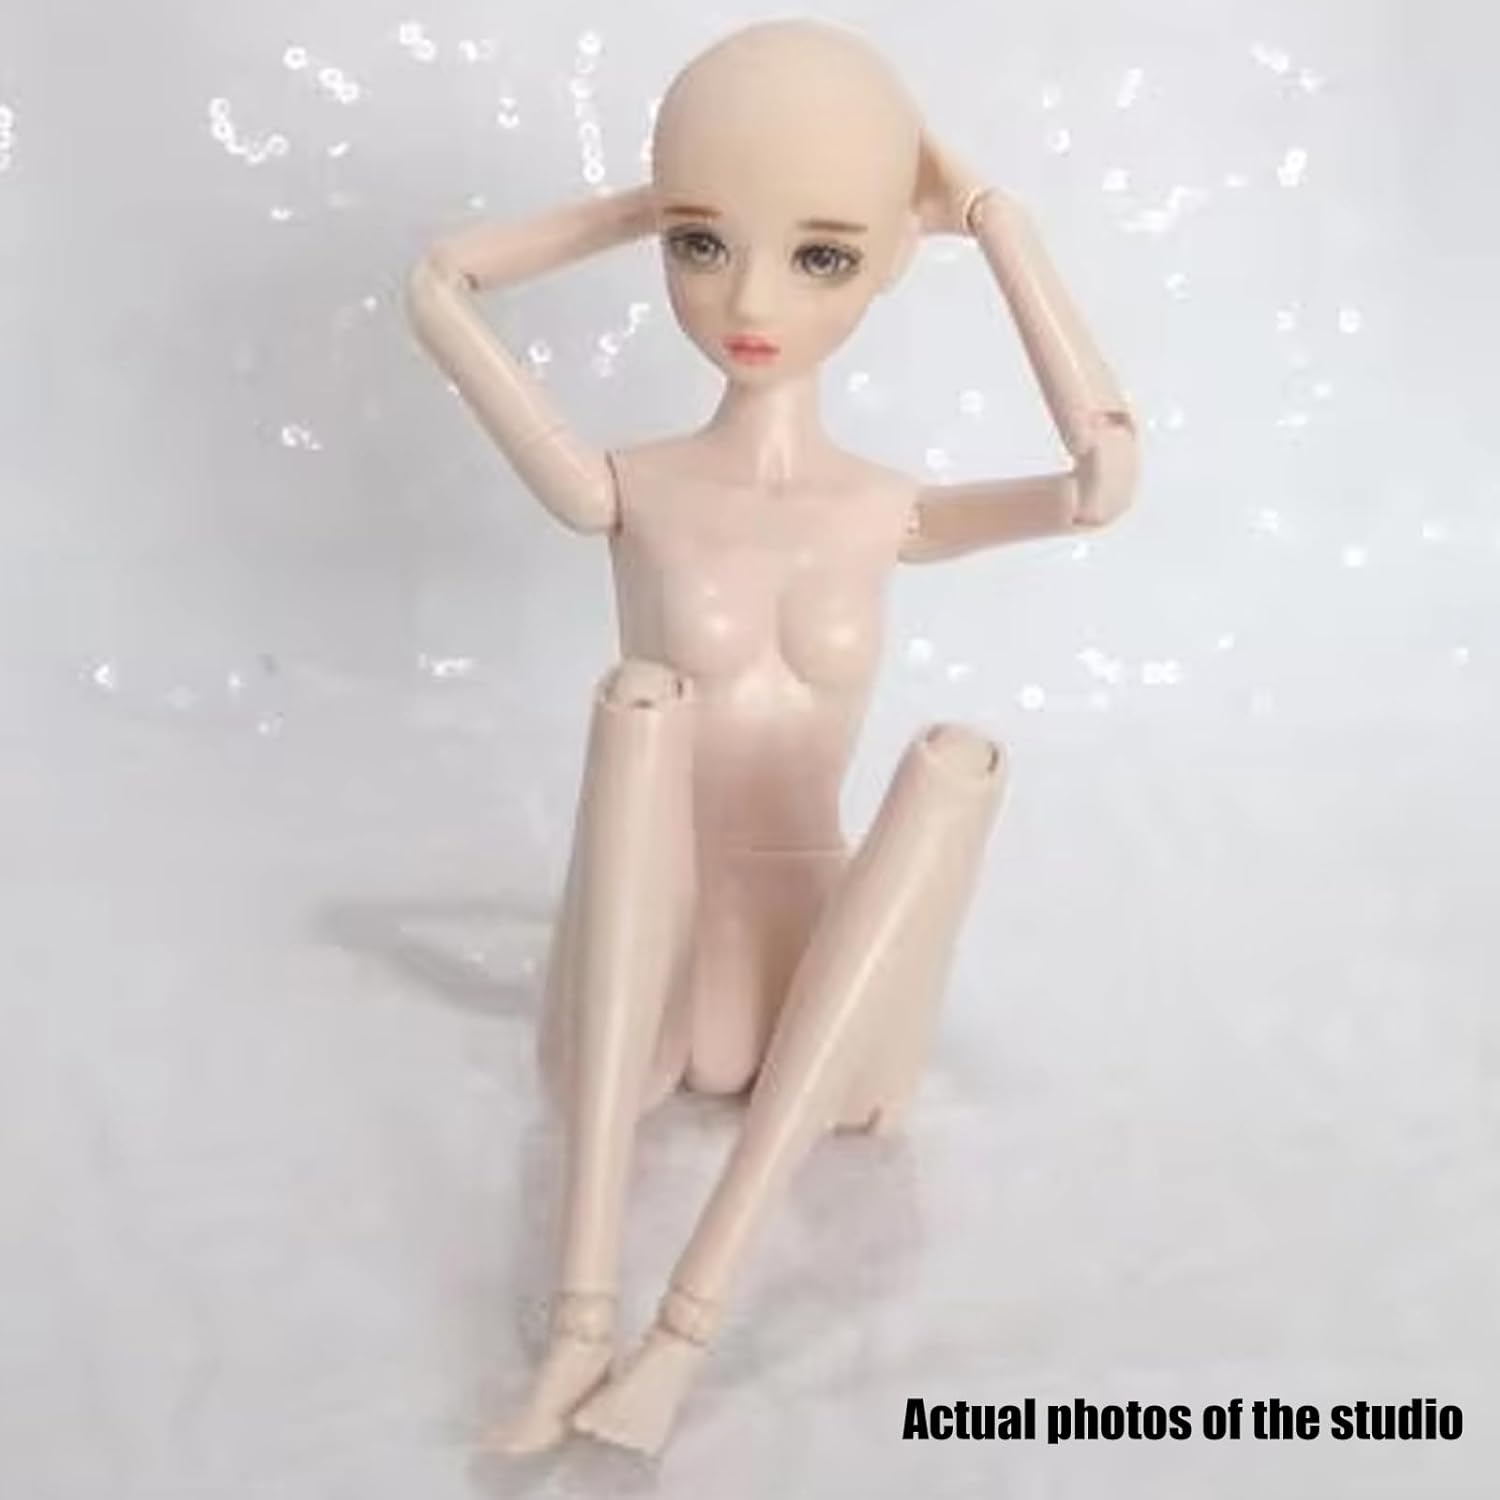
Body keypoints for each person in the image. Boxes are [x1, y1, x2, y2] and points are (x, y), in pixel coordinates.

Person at [405, 18, 1138, 1455]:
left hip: (826, 965)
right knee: (640, 715)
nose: (749, 298)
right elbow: (440, 285)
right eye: (703, 246)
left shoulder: (884, 510)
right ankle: (580, 1324)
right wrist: (653, 197)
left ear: (889, 257)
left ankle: (681, 1336)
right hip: (650, 947)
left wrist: (992, 220)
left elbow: (1098, 482)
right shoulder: (630, 487)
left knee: (952, 768)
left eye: (820, 255)